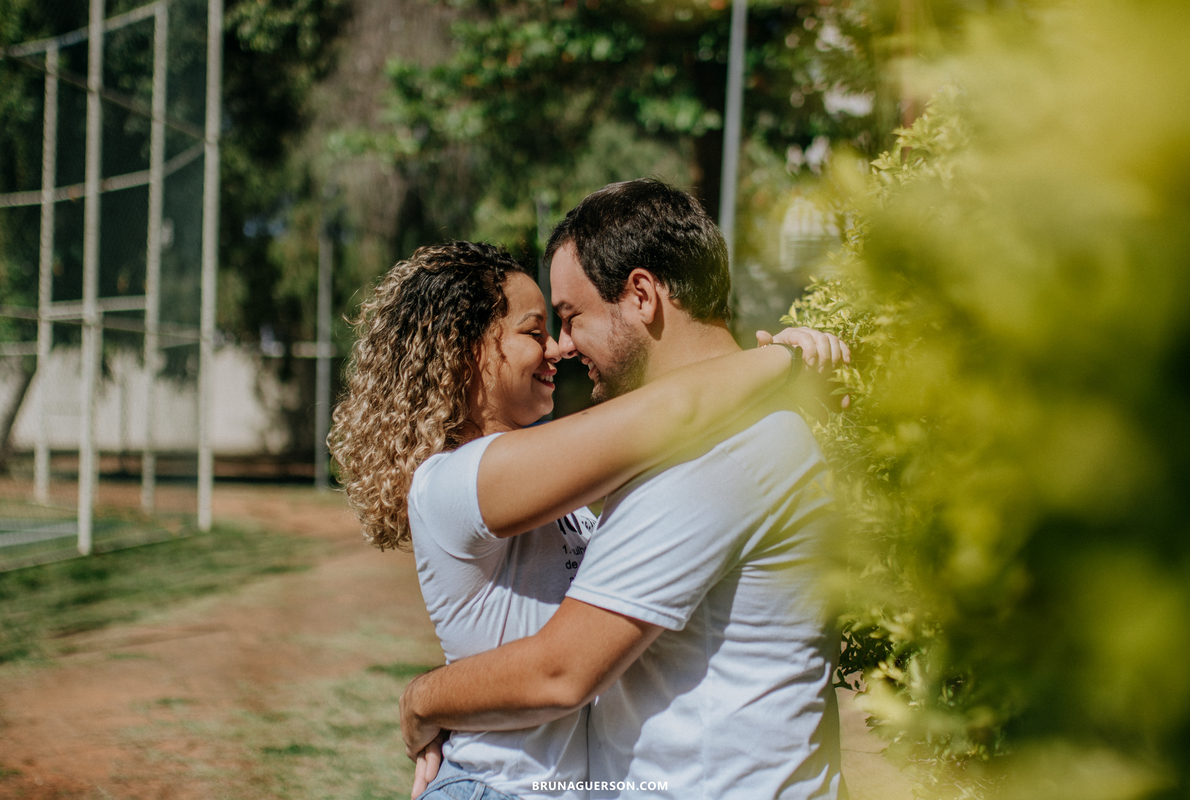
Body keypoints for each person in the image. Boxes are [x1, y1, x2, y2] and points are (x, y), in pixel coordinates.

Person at [328, 240, 849, 800]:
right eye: (534, 332)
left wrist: (428, 697)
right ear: (467, 351)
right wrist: (784, 360)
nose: (557, 347)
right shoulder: (452, 483)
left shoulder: (549, 488)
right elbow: (674, 411)